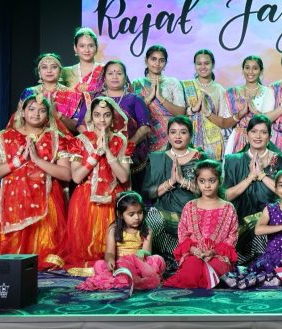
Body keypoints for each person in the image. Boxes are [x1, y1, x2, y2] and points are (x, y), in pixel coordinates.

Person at [0, 96, 70, 269]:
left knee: (44, 252)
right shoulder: (5, 137)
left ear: (48, 115)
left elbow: (66, 174)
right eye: (31, 109)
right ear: (22, 112)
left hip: (46, 199)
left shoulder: (56, 138)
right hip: (11, 200)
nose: (36, 114)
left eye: (42, 110)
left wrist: (37, 160)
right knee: (6, 258)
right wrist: (17, 162)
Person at [66, 97, 132, 270]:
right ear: (91, 117)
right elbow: (76, 178)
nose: (102, 120)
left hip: (112, 198)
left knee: (111, 248)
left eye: (106, 115)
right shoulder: (79, 140)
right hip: (85, 199)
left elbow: (124, 177)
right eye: (97, 115)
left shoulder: (122, 141)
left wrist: (108, 152)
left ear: (113, 118)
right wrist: (96, 154)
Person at [223, 115, 282, 264]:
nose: (258, 136)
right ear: (247, 135)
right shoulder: (233, 161)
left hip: (273, 221)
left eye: (263, 132)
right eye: (254, 131)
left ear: (269, 136)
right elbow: (226, 196)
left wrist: (261, 175)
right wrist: (250, 178)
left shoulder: (280, 161)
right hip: (240, 221)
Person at [163, 160, 239, 289]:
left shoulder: (228, 208)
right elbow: (183, 233)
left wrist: (213, 252)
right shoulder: (190, 206)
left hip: (218, 256)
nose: (207, 186)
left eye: (212, 181)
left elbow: (232, 236)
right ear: (196, 182)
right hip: (194, 254)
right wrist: (194, 250)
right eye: (202, 181)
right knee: (192, 269)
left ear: (219, 181)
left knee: (215, 269)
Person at [75, 60, 152, 188]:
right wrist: (95, 144)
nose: (115, 76)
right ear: (104, 78)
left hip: (128, 156)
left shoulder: (135, 99)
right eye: (110, 73)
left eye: (119, 73)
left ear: (125, 77)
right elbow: (81, 124)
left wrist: (126, 146)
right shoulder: (92, 99)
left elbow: (145, 127)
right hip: (96, 153)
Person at [142, 116, 204, 271]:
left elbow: (210, 190)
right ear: (168, 135)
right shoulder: (157, 158)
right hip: (165, 212)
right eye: (173, 132)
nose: (177, 136)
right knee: (151, 217)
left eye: (183, 132)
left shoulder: (201, 158)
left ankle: (188, 257)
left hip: (194, 214)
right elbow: (148, 193)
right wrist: (171, 182)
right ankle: (171, 257)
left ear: (190, 135)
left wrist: (183, 181)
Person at [76, 192, 165, 293]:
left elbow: (147, 251)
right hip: (120, 265)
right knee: (99, 265)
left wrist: (142, 253)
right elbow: (110, 252)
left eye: (140, 212)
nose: (137, 217)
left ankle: (132, 279)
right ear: (120, 215)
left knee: (158, 259)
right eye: (131, 214)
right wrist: (110, 260)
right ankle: (125, 278)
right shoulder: (113, 229)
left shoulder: (146, 230)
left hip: (139, 264)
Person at [131, 44, 187, 155]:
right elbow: (132, 114)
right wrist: (149, 97)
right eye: (153, 59)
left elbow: (181, 113)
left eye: (161, 60)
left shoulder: (173, 82)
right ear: (146, 61)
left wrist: (160, 97)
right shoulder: (136, 84)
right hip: (145, 135)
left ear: (165, 63)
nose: (157, 64)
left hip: (169, 136)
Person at [181, 49, 231, 160]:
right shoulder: (185, 86)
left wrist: (207, 111)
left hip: (214, 142)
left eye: (206, 63)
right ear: (195, 65)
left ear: (213, 65)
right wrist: (193, 109)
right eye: (199, 64)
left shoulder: (220, 90)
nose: (203, 67)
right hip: (188, 139)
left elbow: (223, 121)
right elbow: (179, 114)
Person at [225, 55, 276, 154]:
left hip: (260, 139)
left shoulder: (268, 92)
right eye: (247, 68)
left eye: (255, 68)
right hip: (237, 139)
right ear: (243, 70)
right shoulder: (232, 92)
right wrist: (240, 114)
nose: (250, 72)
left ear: (261, 71)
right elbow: (226, 122)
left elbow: (269, 121)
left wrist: (255, 112)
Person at [20, 53, 83, 133]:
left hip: (63, 141)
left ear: (60, 71)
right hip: (32, 139)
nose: (49, 71)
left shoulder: (73, 95)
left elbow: (78, 127)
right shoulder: (29, 92)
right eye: (44, 67)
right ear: (39, 72)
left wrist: (59, 116)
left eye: (54, 67)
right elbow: (19, 121)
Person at [61, 27, 105, 95]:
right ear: (75, 48)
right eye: (82, 46)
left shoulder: (105, 69)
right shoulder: (66, 72)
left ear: (96, 47)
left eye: (91, 46)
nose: (87, 50)